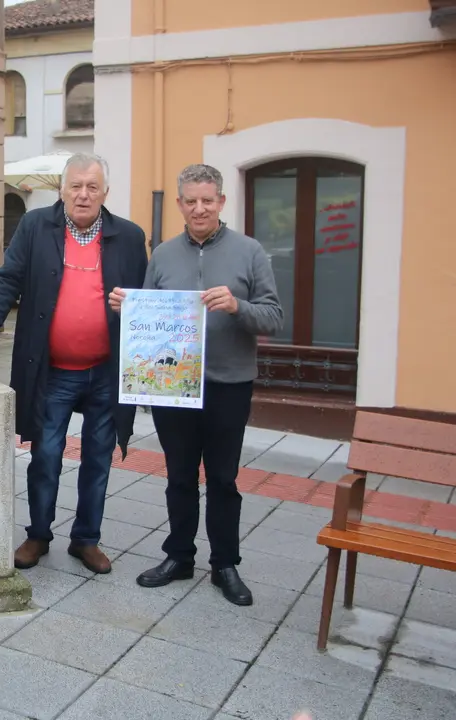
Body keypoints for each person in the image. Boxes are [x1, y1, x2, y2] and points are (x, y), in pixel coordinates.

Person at [0, 153, 148, 574]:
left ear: (105, 193)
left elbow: (146, 301)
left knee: (99, 456)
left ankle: (86, 539)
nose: (83, 194)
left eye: (92, 187)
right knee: (47, 453)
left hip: (106, 371)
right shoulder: (36, 226)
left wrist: (134, 307)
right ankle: (38, 533)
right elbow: (8, 279)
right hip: (52, 369)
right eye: (75, 185)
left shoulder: (129, 236)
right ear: (62, 190)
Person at [112, 163, 283, 606]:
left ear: (221, 202)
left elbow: (274, 317)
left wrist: (237, 306)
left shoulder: (250, 251)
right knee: (180, 476)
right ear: (180, 204)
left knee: (223, 479)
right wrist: (126, 308)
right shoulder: (164, 254)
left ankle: (224, 564)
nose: (200, 208)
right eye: (191, 201)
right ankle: (179, 556)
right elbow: (148, 313)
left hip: (229, 384)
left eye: (208, 200)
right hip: (174, 387)